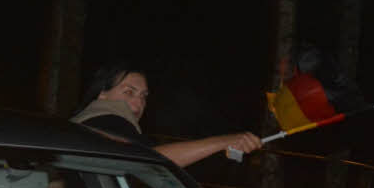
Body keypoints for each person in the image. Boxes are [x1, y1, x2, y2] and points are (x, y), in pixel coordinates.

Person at [71, 63, 262, 168]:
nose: (138, 104)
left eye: (144, 96)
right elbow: (154, 158)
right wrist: (224, 141)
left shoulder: (90, 123)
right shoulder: (105, 119)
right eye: (129, 92)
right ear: (102, 94)